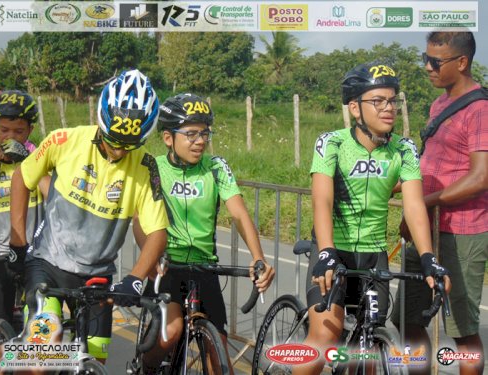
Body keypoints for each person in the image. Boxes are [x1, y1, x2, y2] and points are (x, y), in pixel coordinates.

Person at [294, 62, 451, 374]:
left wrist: (428, 257)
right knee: (326, 336)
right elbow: (322, 199)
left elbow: (415, 206)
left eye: (392, 100)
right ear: (355, 107)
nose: (388, 108)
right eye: (377, 101)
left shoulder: (403, 149)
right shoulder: (332, 142)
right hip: (333, 250)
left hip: (373, 255)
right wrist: (325, 250)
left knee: (369, 342)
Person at [9, 69, 169, 363]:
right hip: (49, 264)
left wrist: (134, 278)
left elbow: (158, 231)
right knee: (44, 350)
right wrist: (18, 243)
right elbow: (22, 177)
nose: (119, 150)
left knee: (94, 361)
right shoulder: (64, 140)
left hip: (96, 277)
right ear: (101, 119)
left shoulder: (146, 167)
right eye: (113, 140)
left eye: (128, 145)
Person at [133, 93, 275, 374]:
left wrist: (259, 258)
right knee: (171, 332)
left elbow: (239, 213)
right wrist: (150, 258)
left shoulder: (215, 167)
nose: (200, 141)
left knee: (220, 361)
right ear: (167, 137)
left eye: (205, 133)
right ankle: (145, 368)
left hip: (204, 268)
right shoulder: (154, 167)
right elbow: (139, 219)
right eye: (191, 134)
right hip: (167, 267)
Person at [391, 31, 488, 375]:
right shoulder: (439, 105)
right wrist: (403, 186)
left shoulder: (479, 110)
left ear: (462, 62)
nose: (428, 68)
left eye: (436, 61)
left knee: (462, 332)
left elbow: (480, 177)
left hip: (460, 234)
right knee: (407, 318)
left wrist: (424, 202)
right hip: (425, 229)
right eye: (425, 59)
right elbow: (438, 164)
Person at [0, 90, 45, 325]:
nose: (11, 136)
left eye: (19, 131)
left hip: (35, 256)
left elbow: (54, 194)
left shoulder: (39, 154)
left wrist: (26, 161)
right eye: (4, 131)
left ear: (30, 130)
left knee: (41, 334)